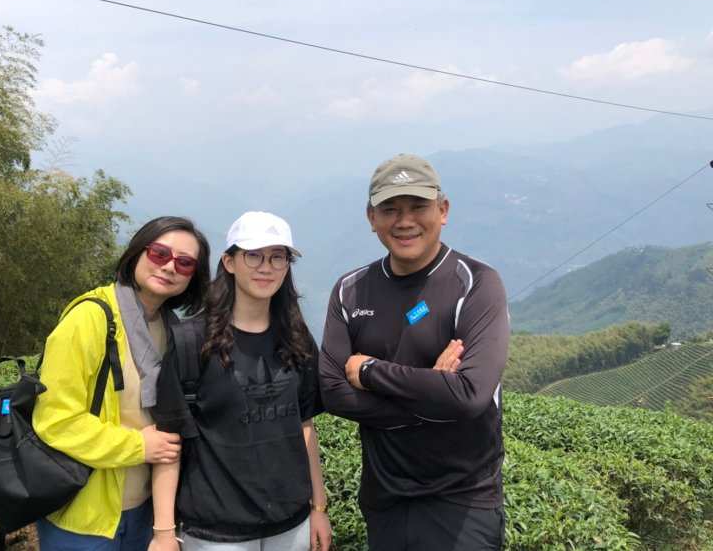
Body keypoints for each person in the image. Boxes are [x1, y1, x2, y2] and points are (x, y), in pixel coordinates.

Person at [318, 154, 510, 551]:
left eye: (418, 206)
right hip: (384, 497)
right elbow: (332, 391)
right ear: (371, 217)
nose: (405, 221)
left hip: (463, 500)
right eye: (390, 209)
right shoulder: (350, 289)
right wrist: (436, 394)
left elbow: (471, 396)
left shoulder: (477, 284)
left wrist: (369, 371)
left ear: (443, 210)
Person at [150, 211, 332, 551]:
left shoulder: (296, 338)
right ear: (229, 261)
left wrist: (318, 508)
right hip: (215, 533)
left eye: (278, 257)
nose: (266, 267)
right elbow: (168, 439)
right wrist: (163, 533)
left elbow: (305, 425)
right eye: (253, 255)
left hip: (291, 524)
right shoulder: (193, 340)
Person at [33, 216, 211, 550]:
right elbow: (55, 420)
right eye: (160, 253)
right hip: (83, 516)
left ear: (193, 277)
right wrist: (138, 446)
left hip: (144, 512)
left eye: (185, 263)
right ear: (137, 254)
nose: (170, 267)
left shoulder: (174, 331)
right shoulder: (90, 318)